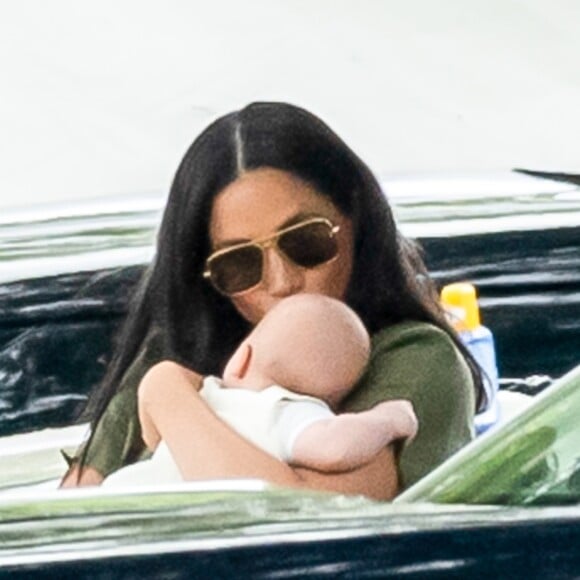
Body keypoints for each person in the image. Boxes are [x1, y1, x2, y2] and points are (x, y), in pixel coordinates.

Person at [61, 101, 485, 499]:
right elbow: (72, 516)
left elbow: (304, 520)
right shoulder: (176, 352)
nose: (282, 282)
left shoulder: (413, 358)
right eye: (240, 264)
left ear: (355, 221)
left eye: (306, 241)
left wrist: (169, 396)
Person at [102, 294, 418, 487]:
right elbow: (334, 447)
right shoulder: (283, 412)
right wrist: (388, 420)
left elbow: (153, 436)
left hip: (130, 493)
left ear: (241, 358)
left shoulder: (206, 395)